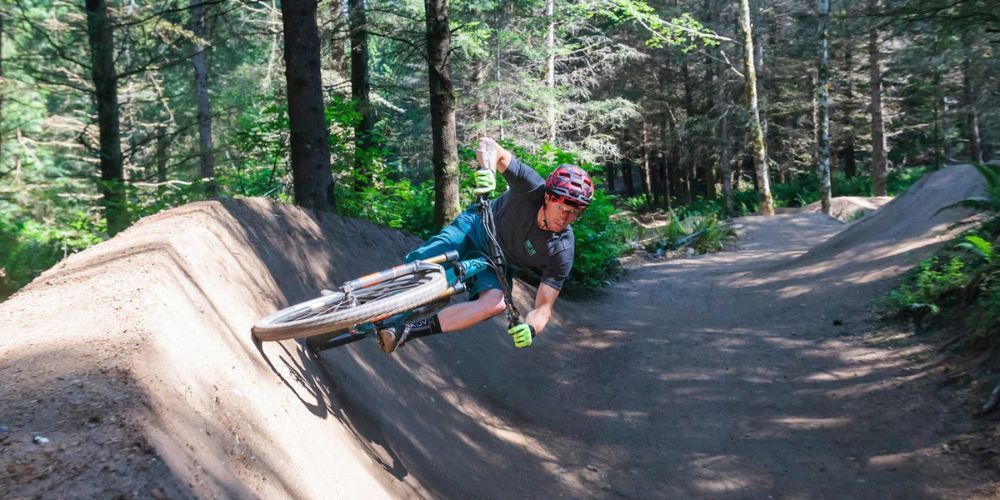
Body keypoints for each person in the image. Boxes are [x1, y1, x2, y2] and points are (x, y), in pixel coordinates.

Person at [376, 138, 594, 354]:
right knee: (428, 261)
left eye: (575, 213)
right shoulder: (530, 186)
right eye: (562, 208)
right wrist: (489, 170)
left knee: (495, 304)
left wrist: (531, 328)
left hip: (496, 266)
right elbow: (489, 145)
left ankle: (405, 332)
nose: (566, 217)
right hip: (473, 229)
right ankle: (376, 297)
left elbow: (543, 308)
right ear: (548, 197)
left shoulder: (563, 248)